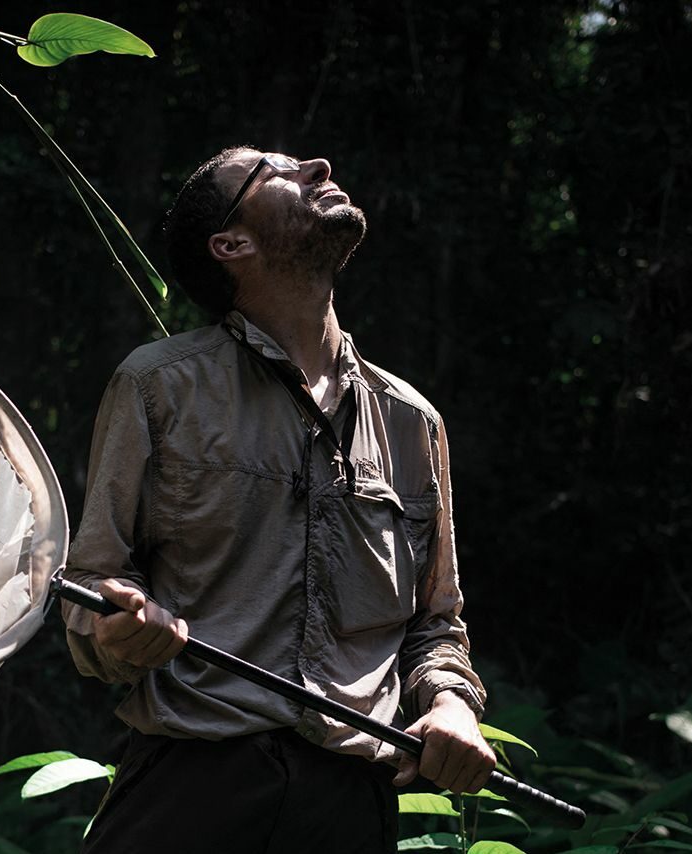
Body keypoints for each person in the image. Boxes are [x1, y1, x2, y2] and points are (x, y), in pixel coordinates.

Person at [59, 146, 493, 853]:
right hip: (189, 783)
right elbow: (91, 586)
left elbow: (434, 626)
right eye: (277, 170)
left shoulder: (413, 423)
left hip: (349, 806)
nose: (319, 165)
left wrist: (450, 705)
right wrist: (116, 627)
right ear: (232, 245)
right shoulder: (157, 387)